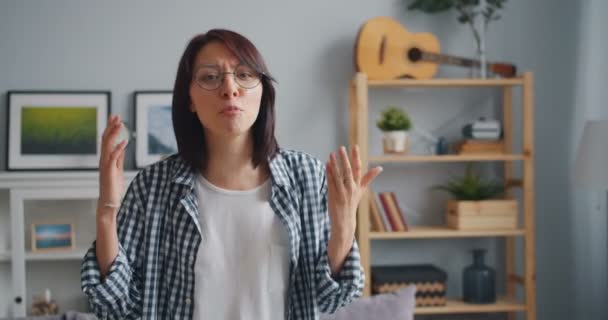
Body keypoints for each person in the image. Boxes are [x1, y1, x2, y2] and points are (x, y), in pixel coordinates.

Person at [81, 29, 382, 320]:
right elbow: (115, 307)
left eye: (244, 75)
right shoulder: (153, 186)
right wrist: (107, 214)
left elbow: (332, 298)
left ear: (263, 91)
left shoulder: (306, 176)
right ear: (189, 99)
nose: (230, 89)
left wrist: (344, 228)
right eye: (210, 77)